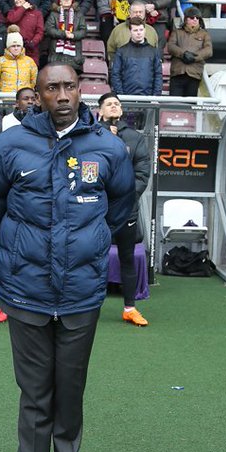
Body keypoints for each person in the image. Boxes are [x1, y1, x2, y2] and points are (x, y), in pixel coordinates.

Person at [0, 62, 135, 452]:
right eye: (52, 88)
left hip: (81, 293)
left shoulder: (108, 148)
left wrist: (89, 243)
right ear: (37, 94)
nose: (62, 95)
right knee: (34, 393)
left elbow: (120, 207)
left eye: (69, 86)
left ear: (80, 89)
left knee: (70, 390)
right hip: (26, 291)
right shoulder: (8, 145)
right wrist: (26, 245)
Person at [96, 92, 150, 326]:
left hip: (126, 210)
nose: (114, 106)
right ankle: (88, 308)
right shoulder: (91, 135)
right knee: (92, 260)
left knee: (127, 259)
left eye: (117, 104)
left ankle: (129, 308)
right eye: (109, 104)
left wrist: (122, 198)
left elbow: (142, 174)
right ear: (100, 111)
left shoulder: (135, 138)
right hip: (97, 212)